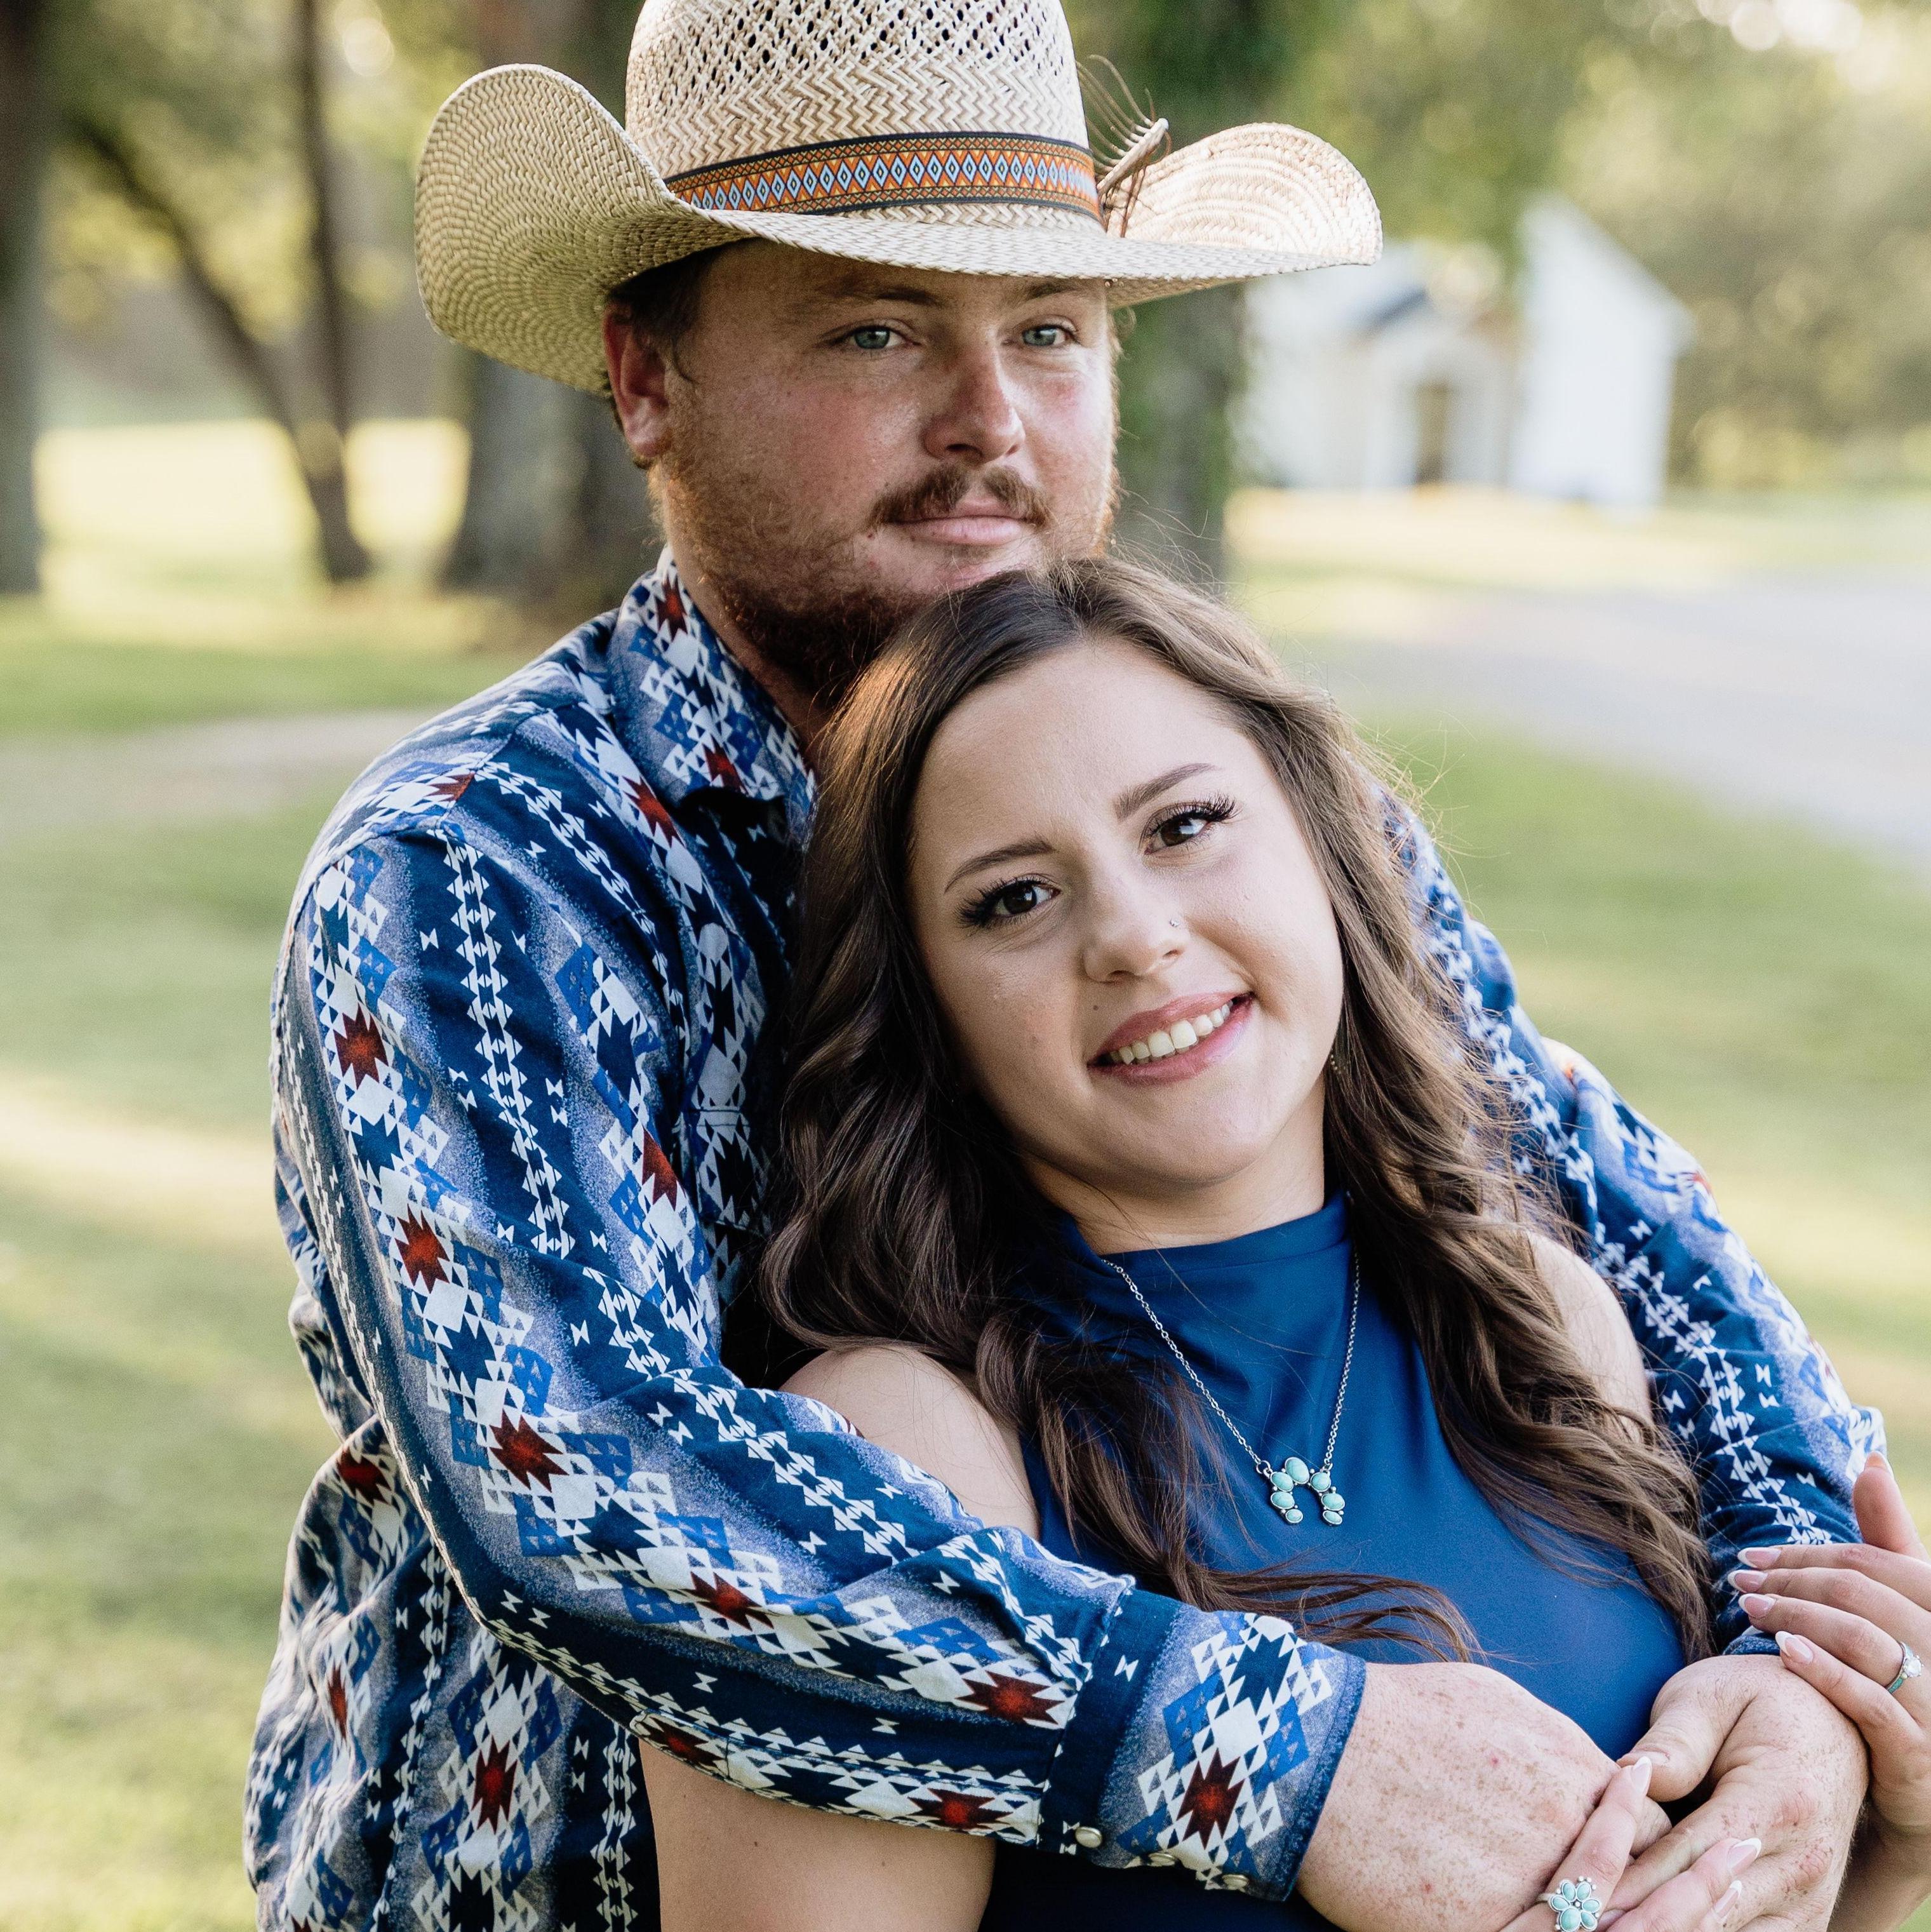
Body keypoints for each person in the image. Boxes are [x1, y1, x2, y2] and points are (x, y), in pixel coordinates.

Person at [244, 0, 1899, 1923]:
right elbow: (579, 1481)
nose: (991, 423)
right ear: (645, 376)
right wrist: (1290, 1750)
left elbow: (1619, 1232)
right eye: (877, 332)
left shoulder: (1225, 787)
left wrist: (1800, 1668)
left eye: (1048, 331)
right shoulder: (486, 872)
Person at [640, 558, 1916, 1931]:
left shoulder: (1542, 1319)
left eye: (1184, 824)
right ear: (926, 1008)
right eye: (1012, 899)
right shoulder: (891, 1451)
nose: (1135, 937)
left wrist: (1888, 1851)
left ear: (1325, 848)